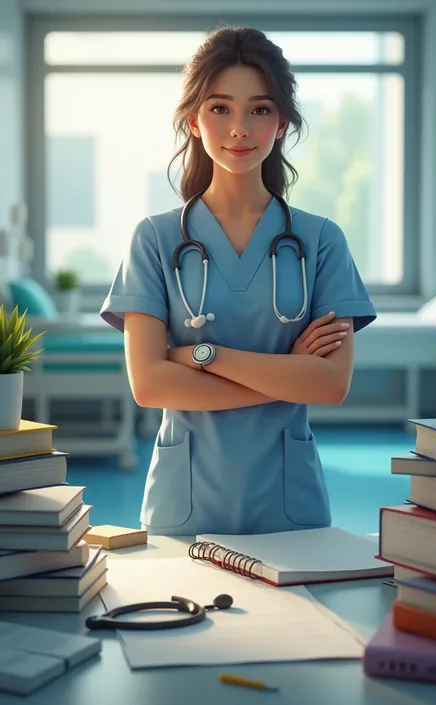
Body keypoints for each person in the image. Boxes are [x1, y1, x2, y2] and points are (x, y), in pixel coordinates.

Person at [100, 26, 376, 537]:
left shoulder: (321, 241)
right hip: (184, 507)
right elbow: (150, 384)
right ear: (193, 121)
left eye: (261, 109)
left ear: (283, 122)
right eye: (220, 108)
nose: (240, 129)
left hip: (291, 506)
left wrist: (204, 357)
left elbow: (331, 384)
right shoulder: (154, 240)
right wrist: (288, 373)